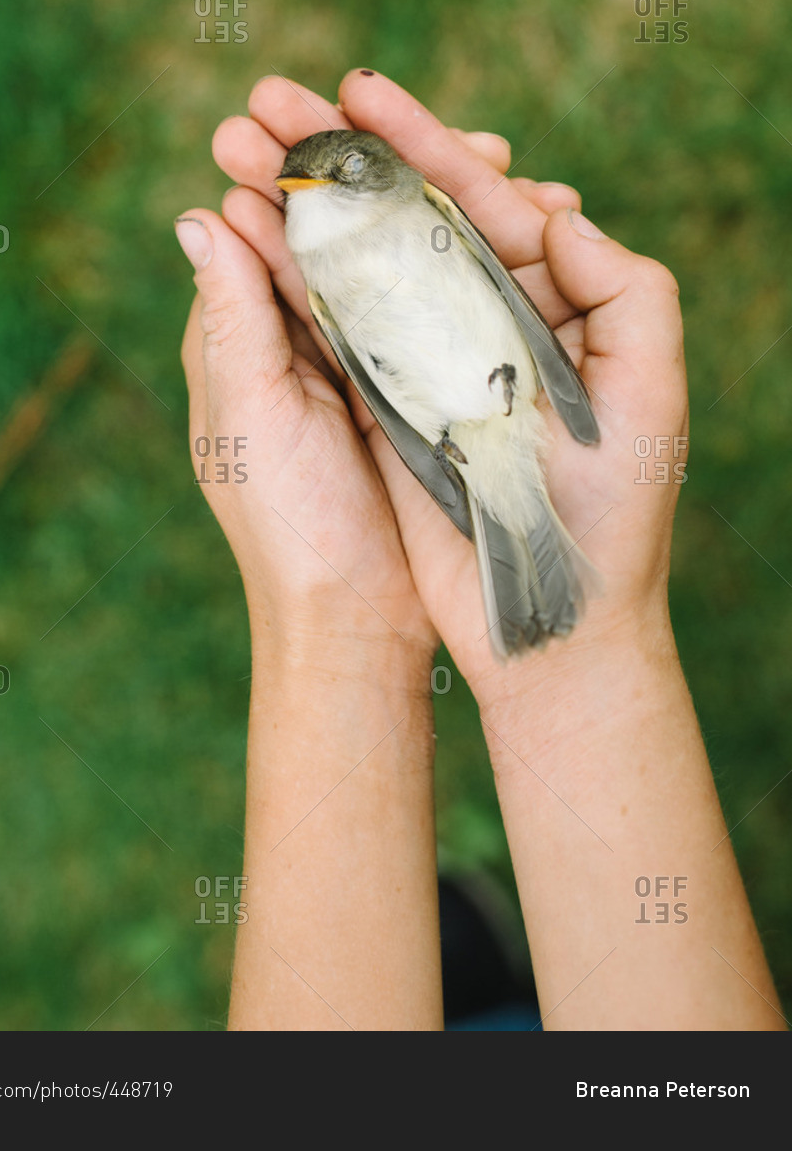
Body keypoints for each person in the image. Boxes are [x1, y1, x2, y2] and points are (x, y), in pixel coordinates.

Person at [175, 68, 784, 1032]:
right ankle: (491, 993)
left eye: (328, 176)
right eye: (299, 188)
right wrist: (436, 465)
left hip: (503, 399)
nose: (306, 195)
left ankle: (481, 993)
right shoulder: (319, 271)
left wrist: (551, 382)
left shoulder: (427, 203)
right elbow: (375, 392)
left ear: (371, 173)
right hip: (455, 434)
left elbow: (499, 286)